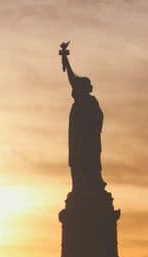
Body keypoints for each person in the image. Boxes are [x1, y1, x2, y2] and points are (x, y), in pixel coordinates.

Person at [60, 41, 106, 192]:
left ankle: (94, 184)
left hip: (90, 141)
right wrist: (65, 59)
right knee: (80, 165)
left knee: (91, 163)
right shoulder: (81, 102)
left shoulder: (91, 102)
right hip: (79, 141)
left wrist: (93, 127)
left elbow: (99, 118)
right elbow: (72, 78)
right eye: (88, 84)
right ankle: (81, 188)